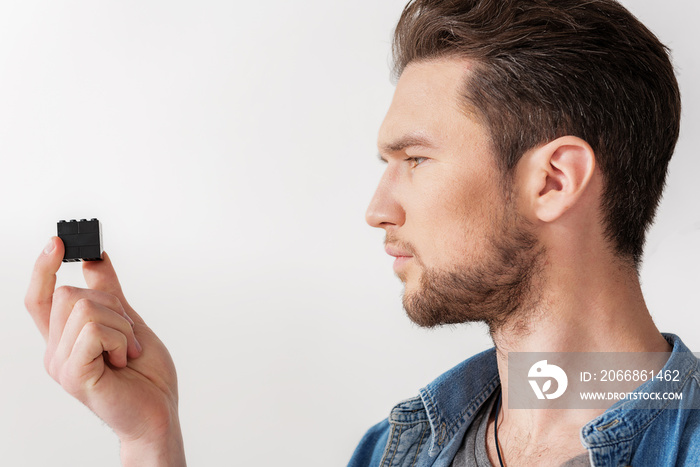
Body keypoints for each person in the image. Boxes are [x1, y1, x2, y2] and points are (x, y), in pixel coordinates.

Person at [23, 1, 698, 467]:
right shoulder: (396, 448)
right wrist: (150, 436)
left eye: (415, 160)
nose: (378, 208)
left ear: (555, 181)